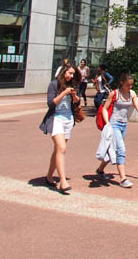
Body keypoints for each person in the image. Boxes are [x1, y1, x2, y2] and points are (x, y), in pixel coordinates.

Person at [95, 72, 138, 187]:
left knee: (113, 150)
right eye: (128, 85)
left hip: (123, 125)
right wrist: (107, 123)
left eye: (131, 85)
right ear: (122, 83)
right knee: (121, 150)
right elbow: (104, 109)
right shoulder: (114, 94)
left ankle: (100, 170)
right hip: (114, 124)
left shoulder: (132, 93)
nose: (130, 87)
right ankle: (123, 179)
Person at [39, 62, 81, 194]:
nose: (71, 76)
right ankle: (63, 181)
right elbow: (50, 103)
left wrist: (74, 96)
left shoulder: (72, 85)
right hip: (56, 118)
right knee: (62, 148)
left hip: (68, 119)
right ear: (63, 72)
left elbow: (77, 102)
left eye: (73, 74)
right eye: (70, 73)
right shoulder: (53, 84)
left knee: (58, 150)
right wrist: (63, 93)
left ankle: (49, 176)